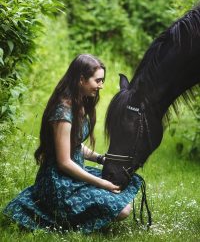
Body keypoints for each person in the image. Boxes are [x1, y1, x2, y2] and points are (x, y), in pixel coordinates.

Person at [3, 54, 142, 233]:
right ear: (81, 79)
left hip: (76, 172)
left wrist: (100, 158)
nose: (101, 85)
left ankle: (78, 215)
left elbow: (75, 145)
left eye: (103, 80)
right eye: (98, 80)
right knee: (122, 209)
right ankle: (55, 215)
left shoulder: (81, 103)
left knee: (123, 189)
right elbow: (64, 162)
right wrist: (101, 183)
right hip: (59, 182)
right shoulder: (63, 111)